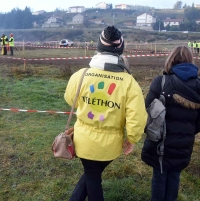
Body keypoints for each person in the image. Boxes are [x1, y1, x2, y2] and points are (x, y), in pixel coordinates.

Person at [64, 26, 147, 201]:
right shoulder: (129, 82)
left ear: (98, 47)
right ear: (121, 49)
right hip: (111, 145)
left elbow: (70, 100)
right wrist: (132, 139)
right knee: (92, 175)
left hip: (83, 140)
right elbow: (137, 117)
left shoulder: (81, 75)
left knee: (91, 174)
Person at [141, 46, 200, 201]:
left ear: (170, 60)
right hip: (184, 144)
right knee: (174, 178)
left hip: (160, 142)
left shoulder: (161, 82)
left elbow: (147, 109)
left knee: (159, 178)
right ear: (191, 60)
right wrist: (188, 132)